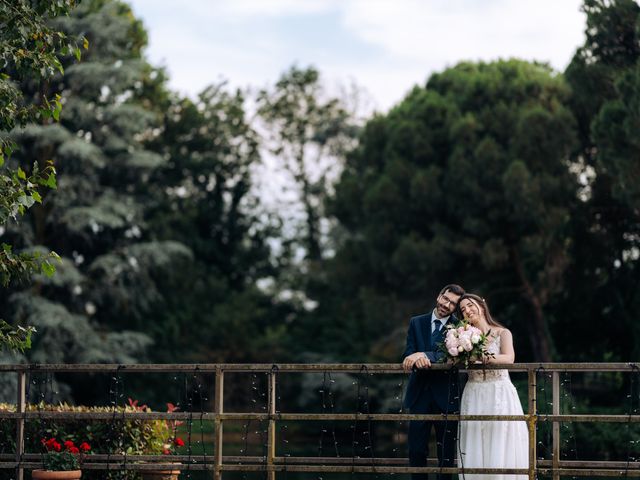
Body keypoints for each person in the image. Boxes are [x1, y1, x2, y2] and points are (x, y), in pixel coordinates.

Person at [457, 293, 528, 480]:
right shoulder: (461, 337)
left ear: (481, 305)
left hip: (499, 393)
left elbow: (509, 358)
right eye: (463, 309)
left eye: (470, 305)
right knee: (475, 441)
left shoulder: (502, 333)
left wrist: (482, 357)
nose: (467, 311)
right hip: (473, 392)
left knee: (500, 439)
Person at [402, 284, 465, 480]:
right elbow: (408, 353)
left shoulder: (460, 328)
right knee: (416, 452)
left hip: (446, 396)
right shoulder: (416, 322)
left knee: (446, 455)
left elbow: (453, 355)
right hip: (419, 395)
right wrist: (415, 357)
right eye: (445, 299)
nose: (447, 305)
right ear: (439, 296)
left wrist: (425, 355)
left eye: (453, 303)